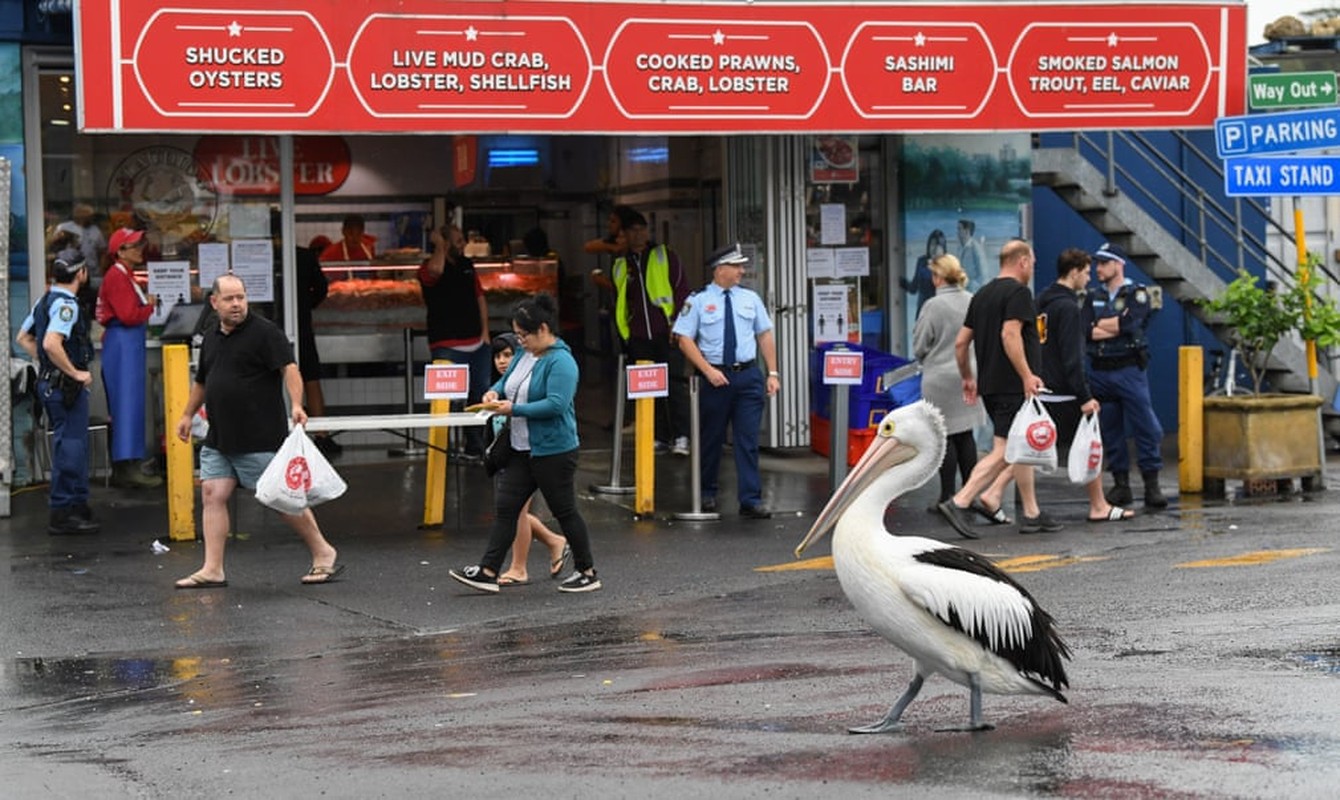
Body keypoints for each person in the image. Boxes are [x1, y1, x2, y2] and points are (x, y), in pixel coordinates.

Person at [172, 274, 343, 589]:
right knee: (213, 494)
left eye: (241, 297)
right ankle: (212, 569)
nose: (237, 304)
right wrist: (186, 414)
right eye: (229, 299)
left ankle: (323, 551)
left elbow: (289, 369)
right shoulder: (211, 336)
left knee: (281, 499)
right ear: (214, 302)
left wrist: (296, 404)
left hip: (258, 434)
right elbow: (203, 381)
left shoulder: (265, 333)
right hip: (220, 436)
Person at [449, 294, 601, 594]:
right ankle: (488, 570)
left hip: (553, 450)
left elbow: (556, 405)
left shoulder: (562, 361)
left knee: (565, 510)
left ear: (543, 329)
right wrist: (493, 393)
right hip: (520, 447)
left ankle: (587, 570)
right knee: (506, 508)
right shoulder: (525, 353)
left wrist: (513, 409)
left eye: (523, 335)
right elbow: (506, 384)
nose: (520, 342)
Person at [937, 238, 1063, 538]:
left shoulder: (981, 294)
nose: (1032, 268)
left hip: (991, 386)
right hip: (1012, 386)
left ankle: (1030, 511)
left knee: (1022, 446)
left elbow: (960, 342)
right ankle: (961, 500)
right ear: (1022, 262)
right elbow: (1010, 334)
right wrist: (1027, 375)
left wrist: (968, 377)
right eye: (1032, 262)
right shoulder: (1019, 293)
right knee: (1007, 450)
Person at [673, 243, 781, 519]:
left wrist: (772, 372)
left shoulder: (750, 298)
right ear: (720, 269)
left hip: (747, 376)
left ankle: (750, 498)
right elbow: (683, 339)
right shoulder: (697, 300)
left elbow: (764, 335)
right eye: (737, 266)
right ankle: (707, 493)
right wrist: (707, 370)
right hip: (714, 377)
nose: (742, 271)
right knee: (711, 439)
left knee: (747, 440)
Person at [1037, 248, 1135, 523]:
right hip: (1066, 391)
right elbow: (1073, 356)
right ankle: (1098, 506)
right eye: (1086, 272)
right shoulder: (1068, 307)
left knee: (1030, 450)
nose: (1089, 278)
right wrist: (1085, 395)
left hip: (1045, 386)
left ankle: (998, 495)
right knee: (1093, 444)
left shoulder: (1041, 302)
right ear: (1074, 272)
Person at [16, 249, 100, 535]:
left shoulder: (44, 300)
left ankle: (76, 506)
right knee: (70, 447)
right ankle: (63, 512)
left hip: (51, 385)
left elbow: (24, 337)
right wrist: (73, 372)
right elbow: (52, 343)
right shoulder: (67, 305)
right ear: (81, 274)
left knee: (71, 444)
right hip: (65, 388)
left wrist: (47, 365)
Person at [1082, 242, 1168, 509]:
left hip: (1128, 370)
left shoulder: (1136, 293)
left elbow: (1130, 324)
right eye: (1097, 263)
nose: (1098, 268)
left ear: (1118, 265)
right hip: (1100, 369)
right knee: (1110, 429)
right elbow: (1086, 329)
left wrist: (1104, 325)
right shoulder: (1092, 294)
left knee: (1145, 427)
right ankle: (1121, 485)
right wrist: (1112, 326)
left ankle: (1151, 485)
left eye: (1104, 263)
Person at [490, 333, 572, 586]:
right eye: (497, 356)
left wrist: (513, 409)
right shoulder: (504, 385)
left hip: (531, 451)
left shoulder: (545, 369)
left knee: (516, 511)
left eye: (508, 355)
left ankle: (518, 567)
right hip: (510, 453)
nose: (502, 361)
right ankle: (554, 541)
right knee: (511, 510)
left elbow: (555, 404)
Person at [611, 207, 691, 455]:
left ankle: (681, 436)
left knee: (675, 386)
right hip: (638, 337)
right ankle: (658, 436)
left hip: (666, 332)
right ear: (624, 233)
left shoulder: (664, 256)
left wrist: (678, 324)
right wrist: (625, 335)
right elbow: (621, 300)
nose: (638, 235)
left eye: (641, 229)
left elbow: (681, 291)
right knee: (647, 389)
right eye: (632, 230)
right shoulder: (620, 265)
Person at [912, 253, 984, 513]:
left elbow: (920, 344)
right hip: (968, 374)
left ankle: (947, 495)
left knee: (945, 435)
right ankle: (969, 491)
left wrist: (921, 353)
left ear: (939, 277)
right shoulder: (972, 300)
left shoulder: (933, 305)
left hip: (939, 378)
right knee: (965, 435)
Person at [95, 227, 162, 489]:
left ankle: (129, 463)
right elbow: (127, 315)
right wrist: (149, 306)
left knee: (129, 403)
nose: (139, 249)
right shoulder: (118, 277)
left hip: (125, 343)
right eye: (133, 245)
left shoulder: (123, 275)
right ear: (119, 252)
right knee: (126, 405)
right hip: (123, 343)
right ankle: (126, 467)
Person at [419, 223, 491, 459]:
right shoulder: (427, 268)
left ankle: (475, 446)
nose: (463, 246)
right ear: (446, 243)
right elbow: (436, 271)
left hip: (476, 343)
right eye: (458, 241)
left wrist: (485, 332)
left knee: (479, 396)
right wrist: (439, 245)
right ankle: (442, 450)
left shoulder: (467, 265)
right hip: (446, 344)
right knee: (445, 402)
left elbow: (479, 297)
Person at [297, 236, 338, 456]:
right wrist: (305, 306)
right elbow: (322, 288)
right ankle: (322, 436)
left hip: (272, 323)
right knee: (311, 378)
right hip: (302, 326)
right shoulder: (305, 256)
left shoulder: (264, 255)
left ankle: (280, 436)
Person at [901, 229, 946, 319]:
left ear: (943, 248)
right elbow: (914, 288)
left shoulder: (947, 264)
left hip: (940, 311)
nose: (934, 248)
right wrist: (900, 282)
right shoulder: (921, 261)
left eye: (938, 245)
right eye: (932, 244)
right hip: (923, 311)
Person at [56, 203, 107, 273]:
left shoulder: (95, 230)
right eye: (86, 215)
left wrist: (101, 269)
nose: (89, 218)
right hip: (69, 271)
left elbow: (103, 251)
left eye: (90, 216)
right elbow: (54, 246)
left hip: (92, 271)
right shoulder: (64, 227)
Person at [957, 218, 989, 291]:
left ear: (967, 231)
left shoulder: (976, 248)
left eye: (959, 229)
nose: (957, 232)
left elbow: (983, 273)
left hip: (974, 290)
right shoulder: (960, 248)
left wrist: (972, 286)